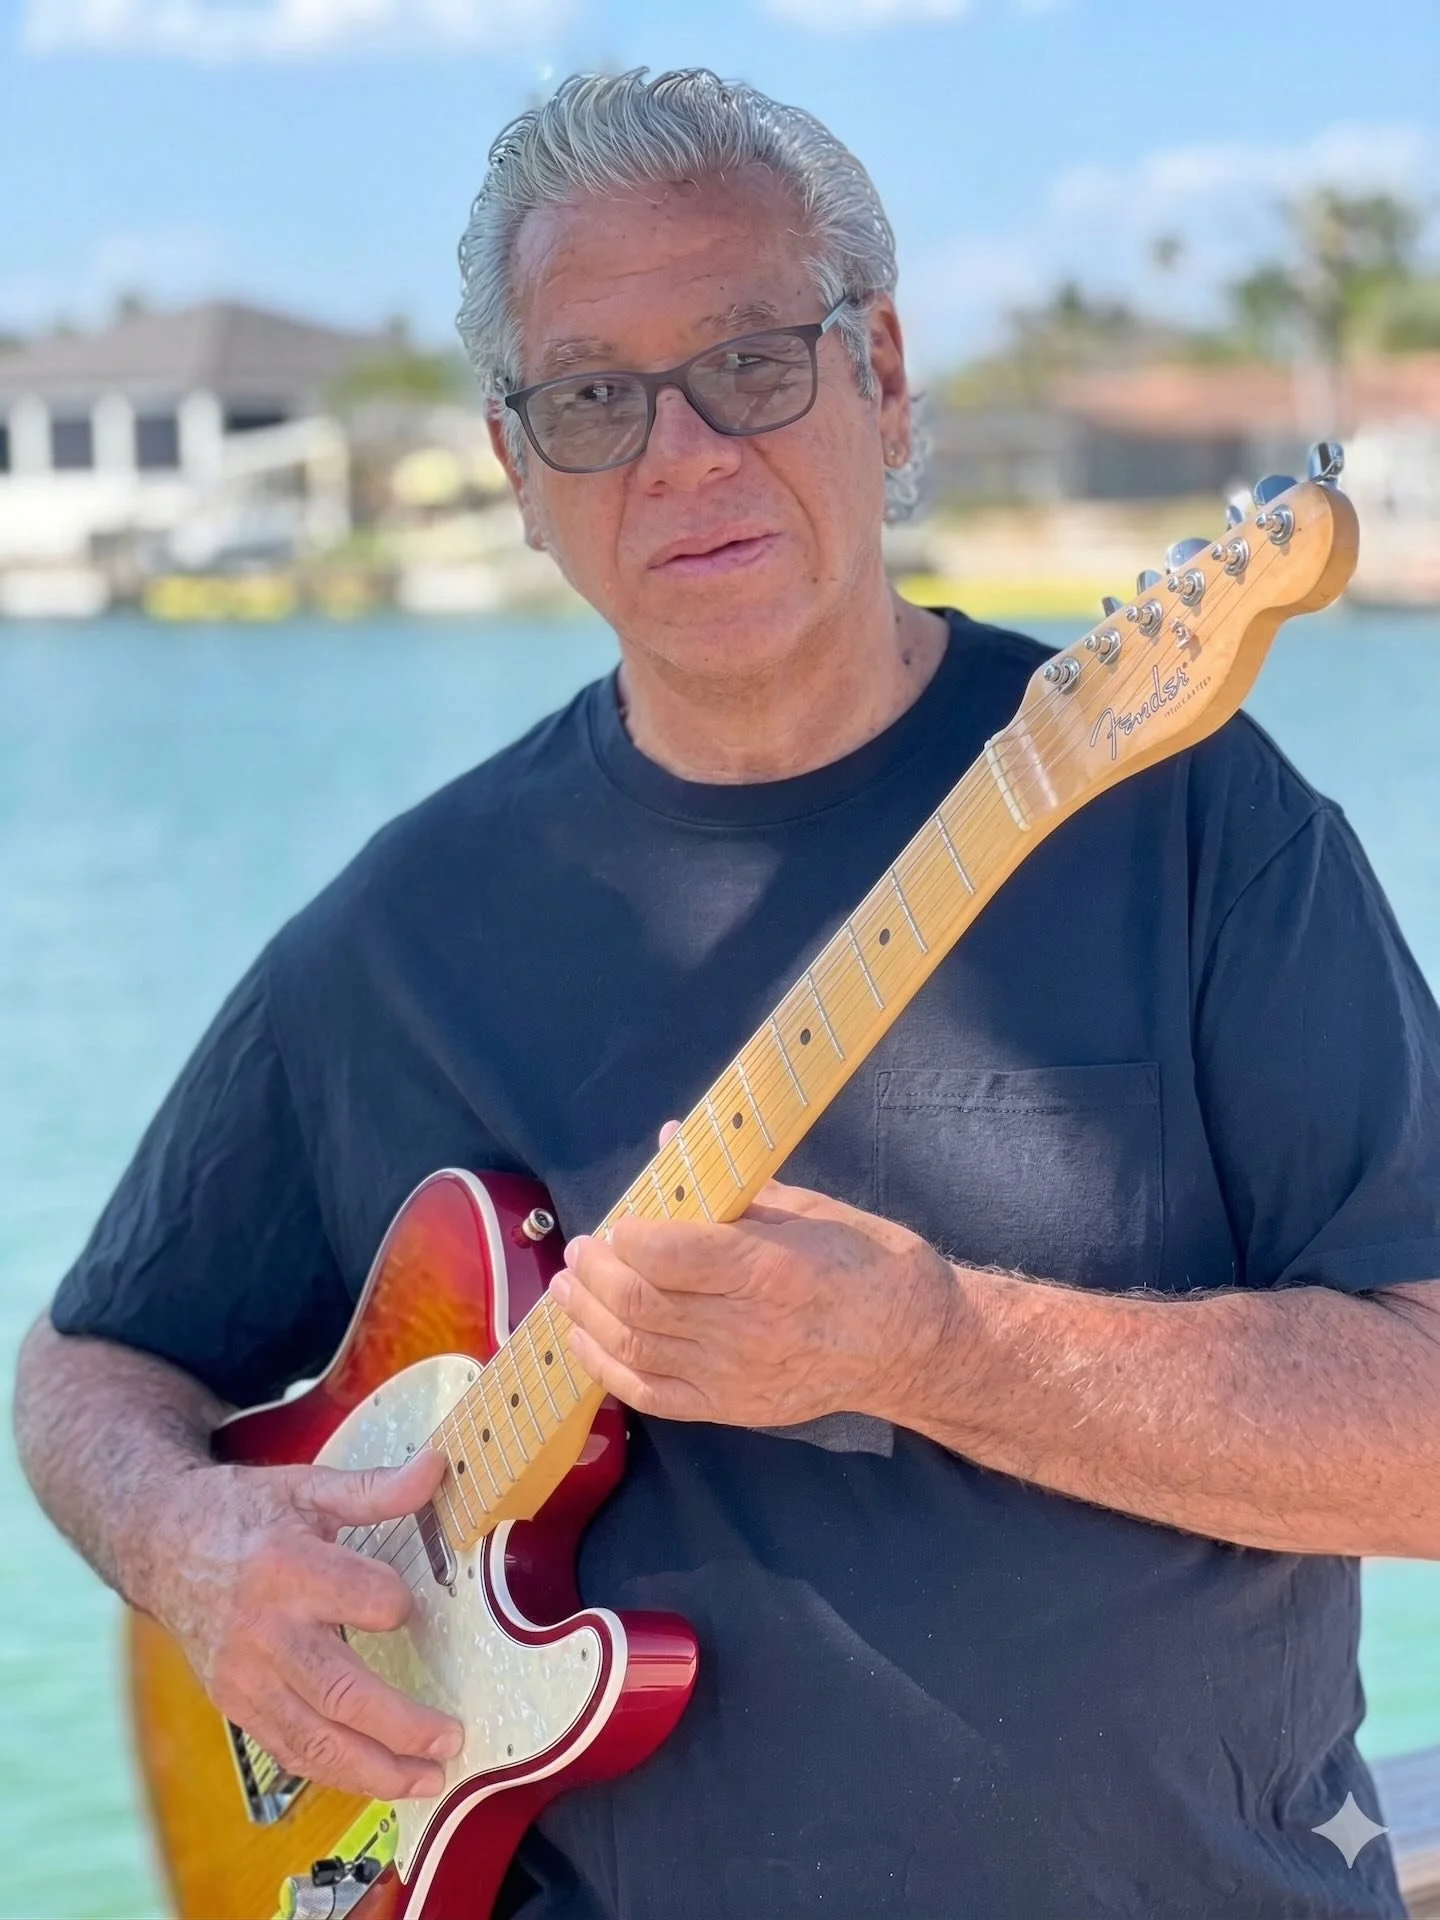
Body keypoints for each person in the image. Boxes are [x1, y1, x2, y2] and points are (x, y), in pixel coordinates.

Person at [14, 67, 1440, 1920]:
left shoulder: (1188, 824)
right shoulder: (411, 924)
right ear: (524, 475)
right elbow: (89, 1363)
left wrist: (936, 1345)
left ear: (885, 375)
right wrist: (196, 1545)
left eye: (755, 359)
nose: (683, 451)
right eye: (594, 397)